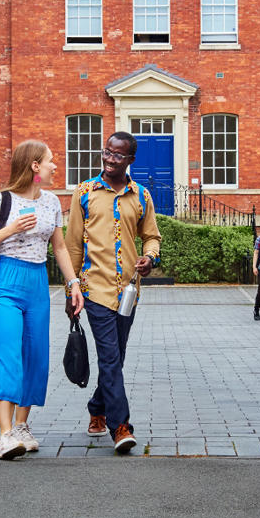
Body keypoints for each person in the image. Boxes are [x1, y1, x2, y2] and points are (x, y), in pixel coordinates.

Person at [0, 139, 84, 461]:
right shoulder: (2, 200)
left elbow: (59, 247)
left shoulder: (51, 201)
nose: (55, 166)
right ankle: (5, 435)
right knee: (8, 354)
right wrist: (10, 229)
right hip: (5, 282)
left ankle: (22, 426)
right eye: (50, 161)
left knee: (35, 356)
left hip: (37, 282)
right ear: (35, 166)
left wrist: (73, 283)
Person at [65, 131, 161, 454]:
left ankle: (97, 407)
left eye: (118, 155)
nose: (109, 158)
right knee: (109, 356)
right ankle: (121, 427)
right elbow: (72, 245)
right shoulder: (84, 193)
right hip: (94, 289)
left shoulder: (142, 196)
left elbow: (152, 236)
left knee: (115, 358)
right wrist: (70, 290)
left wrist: (150, 257)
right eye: (107, 152)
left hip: (128, 292)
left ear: (130, 159)